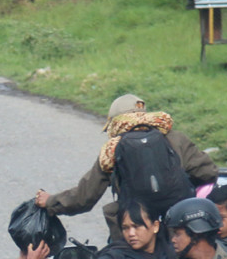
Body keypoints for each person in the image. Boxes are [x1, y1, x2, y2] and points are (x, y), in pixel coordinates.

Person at [35, 94, 217, 243]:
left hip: (134, 239)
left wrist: (51, 201)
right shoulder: (175, 138)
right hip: (179, 231)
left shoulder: (113, 148)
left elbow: (84, 198)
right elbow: (208, 173)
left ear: (114, 122)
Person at [78, 199, 173, 259]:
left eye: (136, 226)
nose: (131, 233)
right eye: (125, 228)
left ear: (155, 226)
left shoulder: (173, 253)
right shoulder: (117, 254)